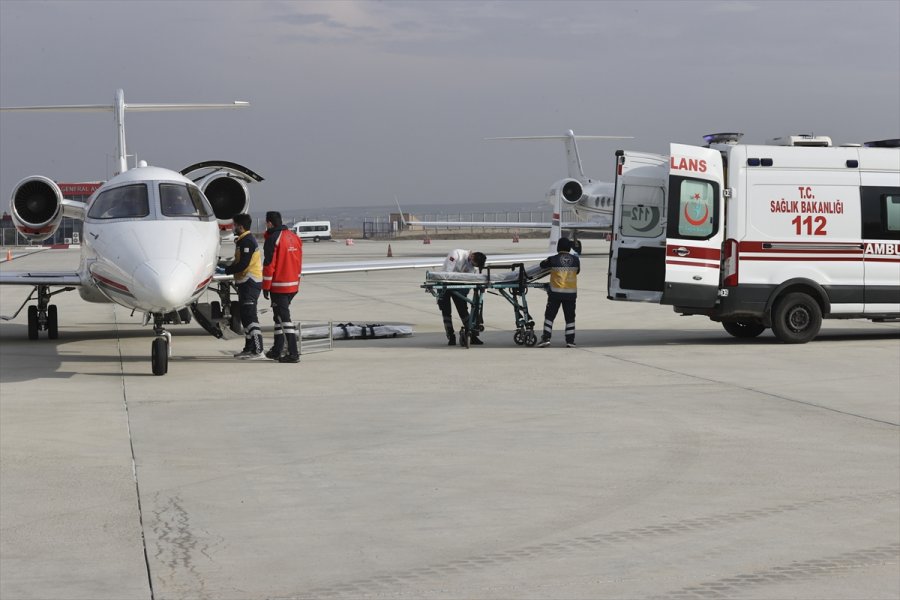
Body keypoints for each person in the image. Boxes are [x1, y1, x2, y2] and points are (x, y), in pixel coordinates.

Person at [219, 213, 265, 359]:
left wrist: (226, 270)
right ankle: (249, 348)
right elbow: (239, 262)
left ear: (240, 226)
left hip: (250, 282)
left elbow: (243, 264)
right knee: (245, 317)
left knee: (250, 317)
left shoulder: (247, 242)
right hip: (244, 282)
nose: (233, 227)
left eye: (234, 225)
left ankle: (258, 350)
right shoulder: (242, 240)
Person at [262, 211, 303, 363]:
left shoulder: (273, 239)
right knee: (278, 317)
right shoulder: (294, 237)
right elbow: (299, 262)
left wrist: (265, 286)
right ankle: (277, 349)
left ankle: (293, 353)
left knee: (284, 319)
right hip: (293, 285)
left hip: (279, 286)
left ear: (270, 223)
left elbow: (269, 265)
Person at [437, 249, 487, 346]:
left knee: (463, 310)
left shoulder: (473, 267)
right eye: (473, 264)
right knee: (446, 311)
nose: (473, 267)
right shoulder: (456, 254)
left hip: (459, 285)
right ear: (472, 256)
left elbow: (470, 278)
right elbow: (448, 273)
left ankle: (471, 335)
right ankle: (451, 336)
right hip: (444, 283)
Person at [537, 237, 580, 348]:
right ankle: (570, 341)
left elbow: (542, 265)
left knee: (550, 316)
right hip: (571, 294)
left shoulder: (553, 259)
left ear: (558, 247)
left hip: (556, 294)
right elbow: (578, 271)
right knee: (570, 318)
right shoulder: (576, 260)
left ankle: (546, 338)